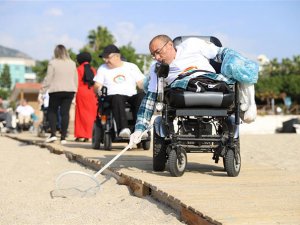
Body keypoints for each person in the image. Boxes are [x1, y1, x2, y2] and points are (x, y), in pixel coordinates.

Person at [129, 34, 258, 145]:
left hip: (210, 80)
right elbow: (150, 99)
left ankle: (250, 103)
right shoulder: (157, 67)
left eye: (158, 52)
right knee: (151, 86)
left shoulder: (191, 45)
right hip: (180, 86)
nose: (156, 57)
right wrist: (139, 129)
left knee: (236, 65)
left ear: (169, 45)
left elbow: (221, 53)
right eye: (153, 55)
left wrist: (235, 63)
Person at [93, 44, 145, 138]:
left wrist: (147, 88)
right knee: (117, 97)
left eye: (107, 57)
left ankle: (140, 128)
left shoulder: (131, 66)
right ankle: (123, 128)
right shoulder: (103, 68)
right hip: (112, 96)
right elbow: (97, 85)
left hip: (130, 95)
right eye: (104, 58)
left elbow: (141, 83)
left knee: (141, 97)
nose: (105, 60)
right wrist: (98, 90)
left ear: (117, 56)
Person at [40, 44, 78, 144]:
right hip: (69, 90)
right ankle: (63, 137)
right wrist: (75, 91)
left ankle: (53, 134)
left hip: (56, 90)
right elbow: (75, 78)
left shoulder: (53, 63)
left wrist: (43, 91)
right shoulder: (72, 63)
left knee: (52, 111)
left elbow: (48, 78)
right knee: (65, 113)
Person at [74, 52, 98, 142]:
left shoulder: (78, 69)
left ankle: (81, 135)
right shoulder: (93, 70)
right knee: (92, 114)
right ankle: (90, 134)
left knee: (81, 115)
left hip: (81, 93)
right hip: (92, 93)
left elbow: (75, 82)